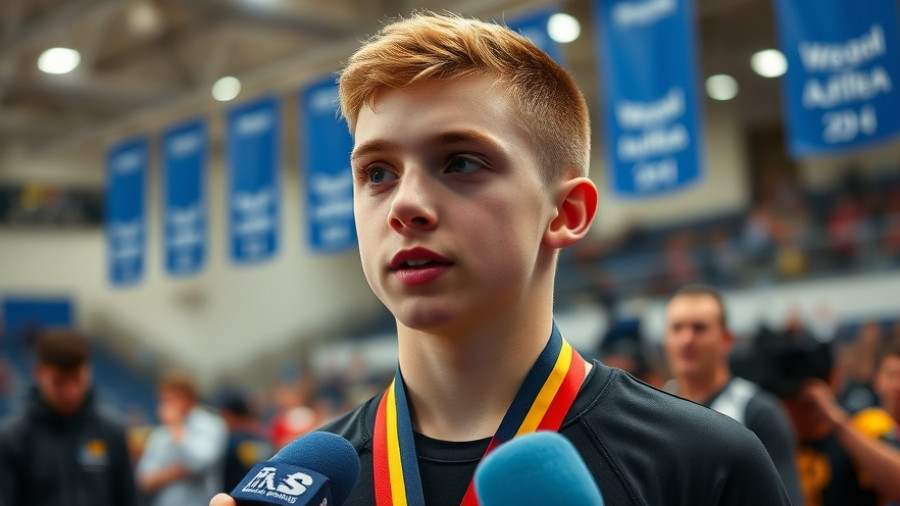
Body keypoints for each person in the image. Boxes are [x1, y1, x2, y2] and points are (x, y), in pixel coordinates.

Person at [212, 12, 789, 506]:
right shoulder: (304, 486)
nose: (405, 204)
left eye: (461, 162)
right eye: (377, 173)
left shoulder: (703, 463)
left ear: (565, 213)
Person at [662, 284, 805, 505]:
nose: (686, 339)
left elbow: (786, 498)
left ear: (727, 339)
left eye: (699, 328)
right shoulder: (653, 406)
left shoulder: (758, 412)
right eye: (677, 328)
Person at [0, 329, 138, 506]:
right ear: (39, 373)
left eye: (77, 380)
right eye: (59, 382)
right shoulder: (13, 439)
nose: (70, 392)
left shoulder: (112, 433)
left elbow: (127, 499)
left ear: (89, 372)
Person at [783, 341, 900, 506]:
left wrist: (836, 420)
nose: (897, 385)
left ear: (833, 378)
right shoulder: (773, 432)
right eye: (891, 375)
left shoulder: (867, 423)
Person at [138, 372, 227, 506]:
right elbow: (144, 480)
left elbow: (199, 463)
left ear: (187, 398)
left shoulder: (211, 424)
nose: (164, 407)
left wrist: (177, 428)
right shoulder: (161, 433)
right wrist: (174, 473)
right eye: (162, 401)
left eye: (169, 400)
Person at [218, 390, 273, 492]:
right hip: (263, 495)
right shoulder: (262, 435)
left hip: (234, 496)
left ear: (228, 415)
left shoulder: (231, 441)